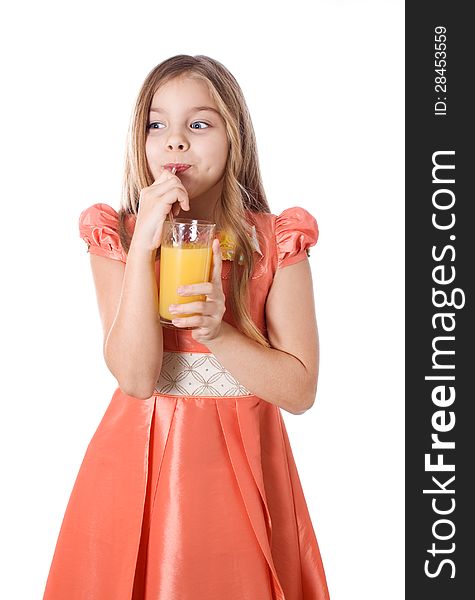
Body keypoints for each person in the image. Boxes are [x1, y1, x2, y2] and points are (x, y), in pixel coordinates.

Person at [43, 54, 330, 600]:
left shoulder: (274, 241)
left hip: (241, 465)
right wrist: (143, 248)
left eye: (199, 124)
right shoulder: (118, 236)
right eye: (158, 124)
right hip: (136, 466)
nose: (176, 141)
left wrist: (220, 332)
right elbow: (135, 376)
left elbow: (300, 391)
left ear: (234, 136)